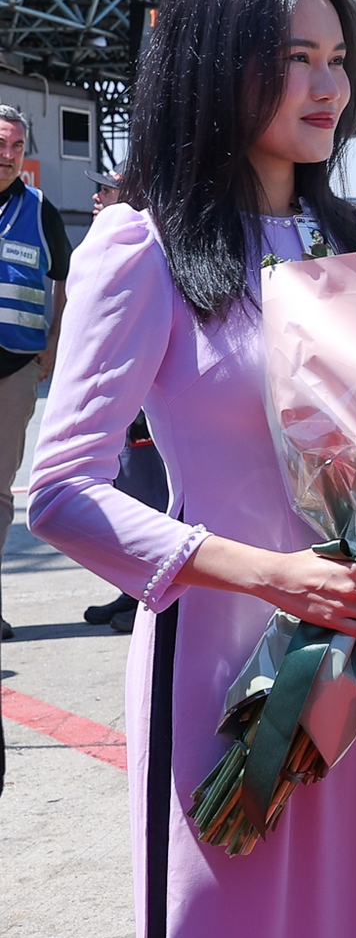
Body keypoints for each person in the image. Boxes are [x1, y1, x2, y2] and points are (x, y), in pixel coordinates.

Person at [29, 0, 356, 938]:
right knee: (230, 931)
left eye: (338, 59)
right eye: (295, 57)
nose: (328, 85)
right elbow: (60, 489)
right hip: (226, 662)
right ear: (218, 64)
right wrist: (267, 573)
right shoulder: (145, 246)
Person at [76, 170, 163, 636]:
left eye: (105, 190)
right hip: (117, 396)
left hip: (143, 402)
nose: (95, 196)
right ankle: (130, 588)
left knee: (147, 500)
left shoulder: (144, 247)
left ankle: (149, 595)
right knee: (124, 491)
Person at [0, 105, 73, 641]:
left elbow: (67, 278)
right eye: (0, 143)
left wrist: (53, 347)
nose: (7, 155)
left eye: (16, 147)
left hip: (13, 372)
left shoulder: (39, 209)